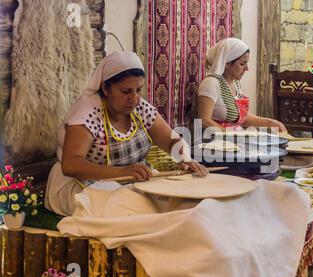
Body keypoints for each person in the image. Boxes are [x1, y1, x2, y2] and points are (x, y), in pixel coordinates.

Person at [45, 51, 208, 216]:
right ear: (105, 88)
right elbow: (71, 165)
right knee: (138, 212)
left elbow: (173, 141)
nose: (134, 98)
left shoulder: (140, 108)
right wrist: (121, 172)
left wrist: (185, 157)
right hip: (84, 184)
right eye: (125, 91)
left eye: (138, 90)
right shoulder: (87, 112)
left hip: (128, 182)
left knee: (183, 203)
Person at [196, 38, 287, 132]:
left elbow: (241, 117)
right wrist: (232, 135)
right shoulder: (211, 83)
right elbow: (204, 121)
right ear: (226, 63)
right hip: (213, 141)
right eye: (242, 64)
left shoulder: (236, 84)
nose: (247, 68)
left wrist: (270, 122)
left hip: (233, 140)